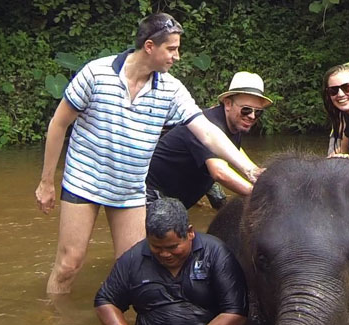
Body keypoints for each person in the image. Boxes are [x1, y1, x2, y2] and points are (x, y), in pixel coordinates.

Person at [34, 13, 261, 296]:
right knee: (69, 264)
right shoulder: (96, 74)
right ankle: (53, 321)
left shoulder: (170, 89)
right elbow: (59, 124)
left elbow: (207, 132)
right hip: (85, 181)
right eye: (172, 49)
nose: (177, 57)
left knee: (133, 270)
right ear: (150, 46)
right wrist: (46, 182)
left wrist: (248, 169)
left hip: (130, 190)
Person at [94, 198, 248, 325]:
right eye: (156, 247)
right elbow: (105, 301)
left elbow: (236, 314)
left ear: (190, 233)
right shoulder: (134, 258)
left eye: (173, 247)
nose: (165, 254)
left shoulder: (215, 253)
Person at [146, 71, 272, 209]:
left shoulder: (234, 124)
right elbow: (219, 172)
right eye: (246, 110)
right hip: (151, 194)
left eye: (258, 112)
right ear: (228, 104)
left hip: (180, 194)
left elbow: (235, 150)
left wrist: (257, 172)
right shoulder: (208, 124)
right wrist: (257, 195)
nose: (252, 116)